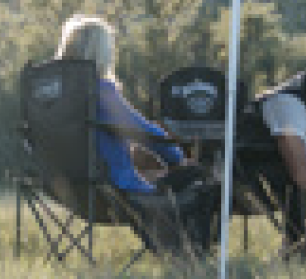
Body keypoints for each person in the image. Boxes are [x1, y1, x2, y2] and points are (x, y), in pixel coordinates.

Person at [56, 14, 216, 248]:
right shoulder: (100, 90)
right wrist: (177, 157)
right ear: (101, 53)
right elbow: (140, 131)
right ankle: (190, 254)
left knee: (157, 173)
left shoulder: (57, 93)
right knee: (202, 180)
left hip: (66, 185)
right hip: (111, 186)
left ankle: (173, 248)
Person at [237, 53, 306, 254]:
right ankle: (297, 250)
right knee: (303, 182)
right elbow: (301, 173)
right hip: (263, 173)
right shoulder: (288, 103)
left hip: (301, 167)